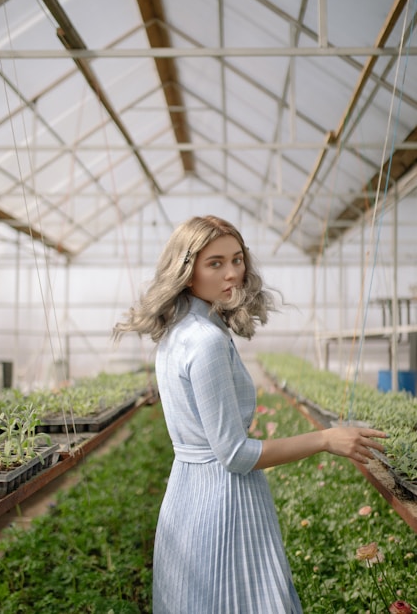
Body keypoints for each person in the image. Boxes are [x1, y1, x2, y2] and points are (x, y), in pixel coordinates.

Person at [113, 215, 387, 614]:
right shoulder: (205, 341)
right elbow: (236, 454)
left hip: (189, 492)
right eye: (215, 263)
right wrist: (326, 439)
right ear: (187, 272)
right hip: (223, 502)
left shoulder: (180, 329)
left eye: (237, 259)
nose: (232, 274)